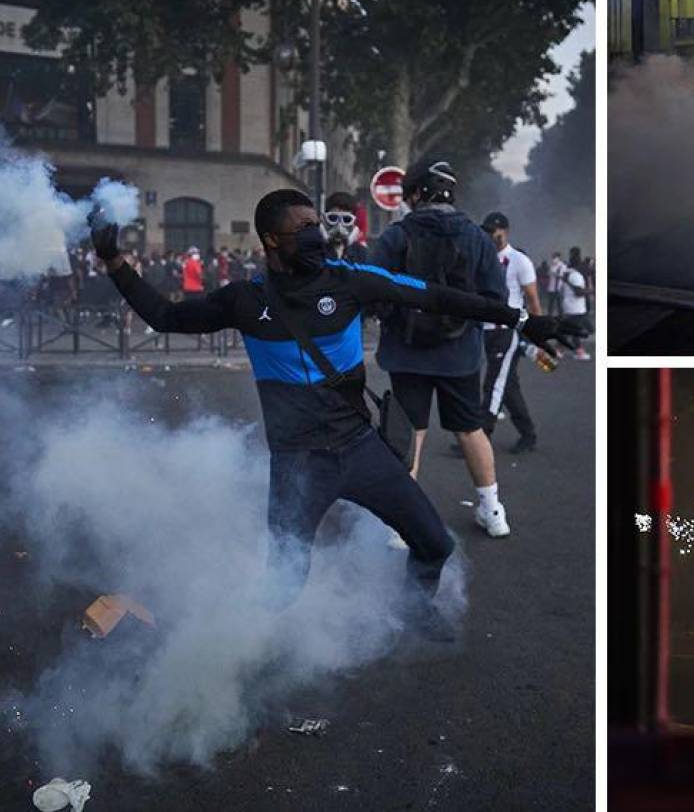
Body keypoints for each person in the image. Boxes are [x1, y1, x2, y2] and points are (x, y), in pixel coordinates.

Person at [87, 189, 578, 636]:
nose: (317, 234)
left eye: (316, 223)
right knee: (282, 585)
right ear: (271, 239)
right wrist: (113, 260)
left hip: (361, 449)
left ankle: (413, 608)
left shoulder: (353, 281)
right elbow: (165, 315)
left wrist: (522, 320)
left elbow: (436, 296)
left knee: (435, 544)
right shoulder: (245, 300)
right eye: (302, 229)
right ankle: (215, 643)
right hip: (298, 464)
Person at [368, 157, 514, 538]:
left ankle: (402, 525)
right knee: (470, 430)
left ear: (416, 193)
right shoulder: (477, 237)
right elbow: (495, 297)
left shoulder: (396, 236)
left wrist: (393, 316)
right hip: (460, 355)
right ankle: (492, 510)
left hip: (406, 352)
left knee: (410, 434)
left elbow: (371, 290)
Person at [480, 212, 541, 453]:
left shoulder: (519, 261)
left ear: (506, 231)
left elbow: (534, 301)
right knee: (508, 387)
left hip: (507, 331)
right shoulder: (484, 259)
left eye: (494, 232)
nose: (491, 236)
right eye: (487, 232)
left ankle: (481, 438)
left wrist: (538, 336)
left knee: (493, 385)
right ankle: (528, 434)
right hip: (485, 330)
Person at [563, 246, 592, 360]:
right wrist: (590, 291)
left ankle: (558, 350)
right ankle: (579, 352)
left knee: (567, 330)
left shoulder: (568, 273)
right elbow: (579, 292)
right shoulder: (576, 276)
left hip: (570, 307)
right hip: (576, 308)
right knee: (575, 331)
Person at [323, 191, 369, 263]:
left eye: (346, 219)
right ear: (324, 219)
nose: (339, 225)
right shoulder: (314, 252)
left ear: (354, 223)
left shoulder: (363, 255)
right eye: (333, 218)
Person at [547, 251, 567, 316]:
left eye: (555, 257)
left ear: (558, 258)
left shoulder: (562, 266)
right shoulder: (552, 266)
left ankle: (561, 317)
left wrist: (555, 274)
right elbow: (549, 274)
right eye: (553, 257)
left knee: (559, 304)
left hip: (558, 287)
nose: (553, 259)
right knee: (551, 304)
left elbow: (563, 276)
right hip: (551, 287)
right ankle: (549, 316)